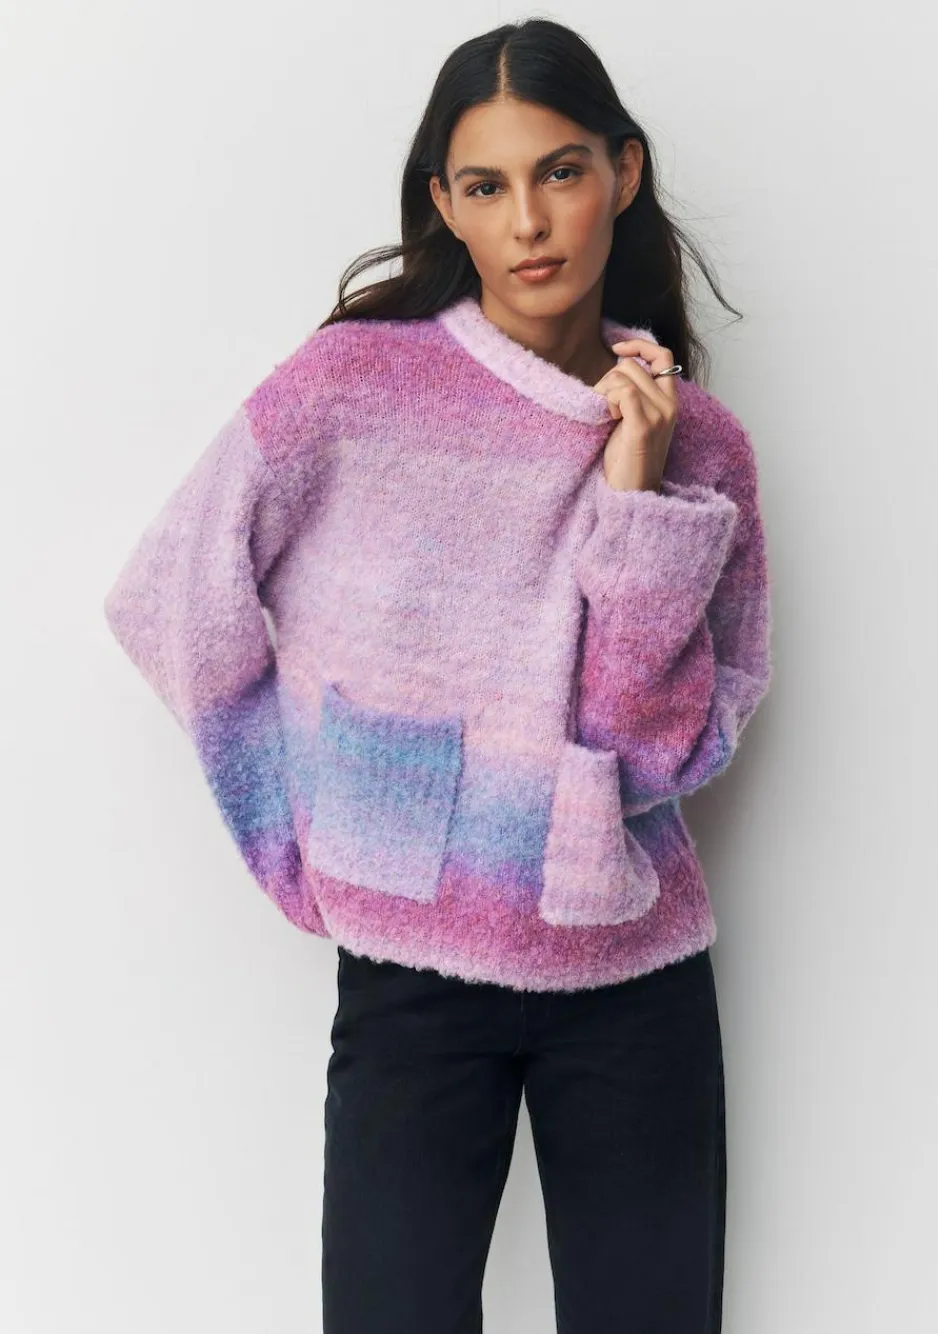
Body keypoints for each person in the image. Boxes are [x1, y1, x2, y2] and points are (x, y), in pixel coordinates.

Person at [102, 16, 772, 1333]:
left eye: (561, 171)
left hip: (632, 979)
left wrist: (634, 498)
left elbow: (654, 752)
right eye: (486, 184)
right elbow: (170, 594)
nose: (529, 221)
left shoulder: (700, 447)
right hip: (410, 977)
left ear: (622, 173)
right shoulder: (354, 386)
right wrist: (297, 840)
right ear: (444, 204)